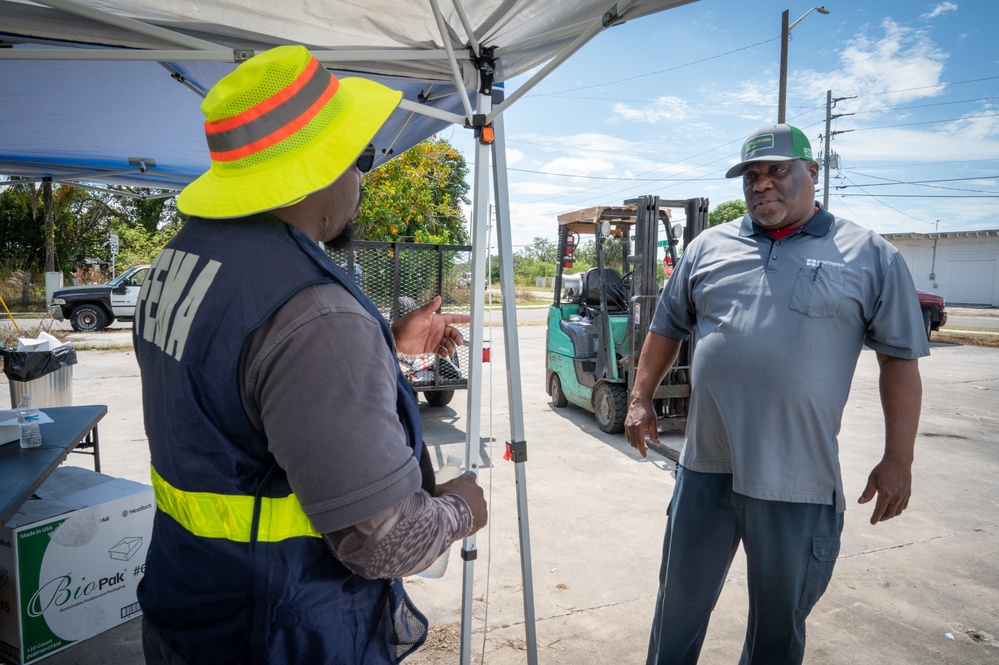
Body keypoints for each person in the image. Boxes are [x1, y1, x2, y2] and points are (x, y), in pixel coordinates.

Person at [132, 45, 487, 665]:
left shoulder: (183, 258)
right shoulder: (316, 317)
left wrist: (380, 347)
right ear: (322, 167)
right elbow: (385, 544)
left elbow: (238, 396)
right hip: (281, 633)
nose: (360, 180)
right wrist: (461, 508)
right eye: (362, 159)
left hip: (187, 607)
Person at [625, 123, 927, 665]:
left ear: (813, 172)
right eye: (751, 176)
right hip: (706, 472)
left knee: (775, 634)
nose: (762, 184)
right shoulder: (708, 246)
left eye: (777, 171)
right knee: (676, 613)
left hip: (797, 480)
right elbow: (666, 326)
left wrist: (898, 458)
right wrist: (640, 397)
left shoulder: (871, 255)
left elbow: (899, 360)